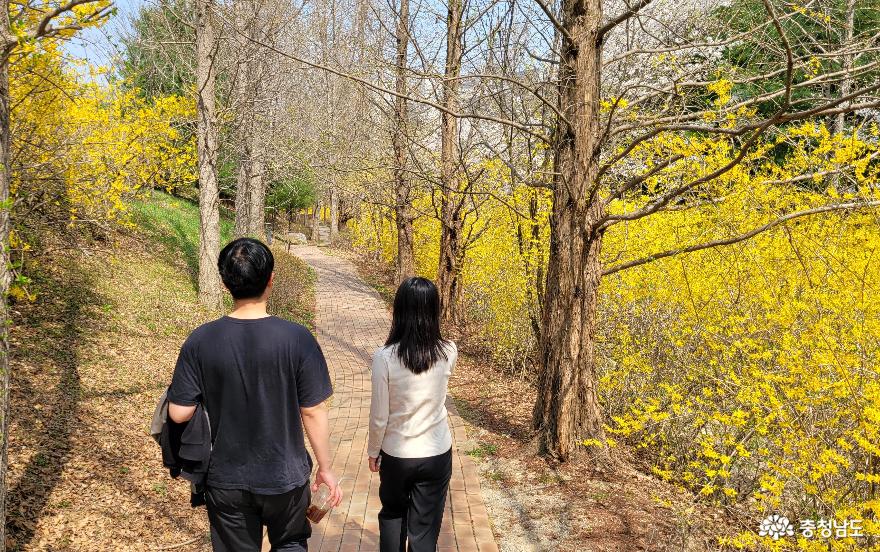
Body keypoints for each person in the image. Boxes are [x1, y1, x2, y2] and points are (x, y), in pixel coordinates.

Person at [167, 237, 342, 551]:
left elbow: (179, 413)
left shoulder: (201, 341)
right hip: (285, 477)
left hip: (226, 478)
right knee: (290, 544)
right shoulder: (297, 339)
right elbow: (313, 411)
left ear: (224, 283)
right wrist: (325, 469)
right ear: (271, 280)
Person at [367, 276, 457, 552]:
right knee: (425, 529)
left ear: (399, 310)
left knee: (393, 514)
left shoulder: (384, 357)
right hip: (436, 451)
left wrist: (373, 451)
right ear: (433, 311)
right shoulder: (449, 351)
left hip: (397, 453)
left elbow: (379, 416)